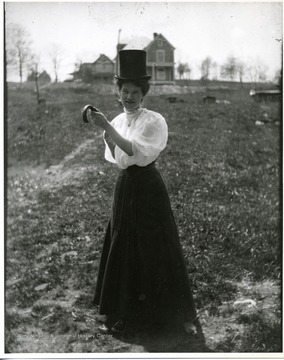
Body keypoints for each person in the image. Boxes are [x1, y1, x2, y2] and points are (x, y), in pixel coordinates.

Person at [86, 50, 197, 334]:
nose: (129, 97)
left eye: (135, 92)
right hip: (125, 187)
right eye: (124, 91)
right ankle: (123, 310)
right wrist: (107, 134)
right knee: (122, 241)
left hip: (147, 187)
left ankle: (157, 313)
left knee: (150, 244)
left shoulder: (153, 120)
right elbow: (118, 158)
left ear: (143, 93)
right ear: (118, 92)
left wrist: (107, 128)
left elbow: (135, 151)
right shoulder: (119, 120)